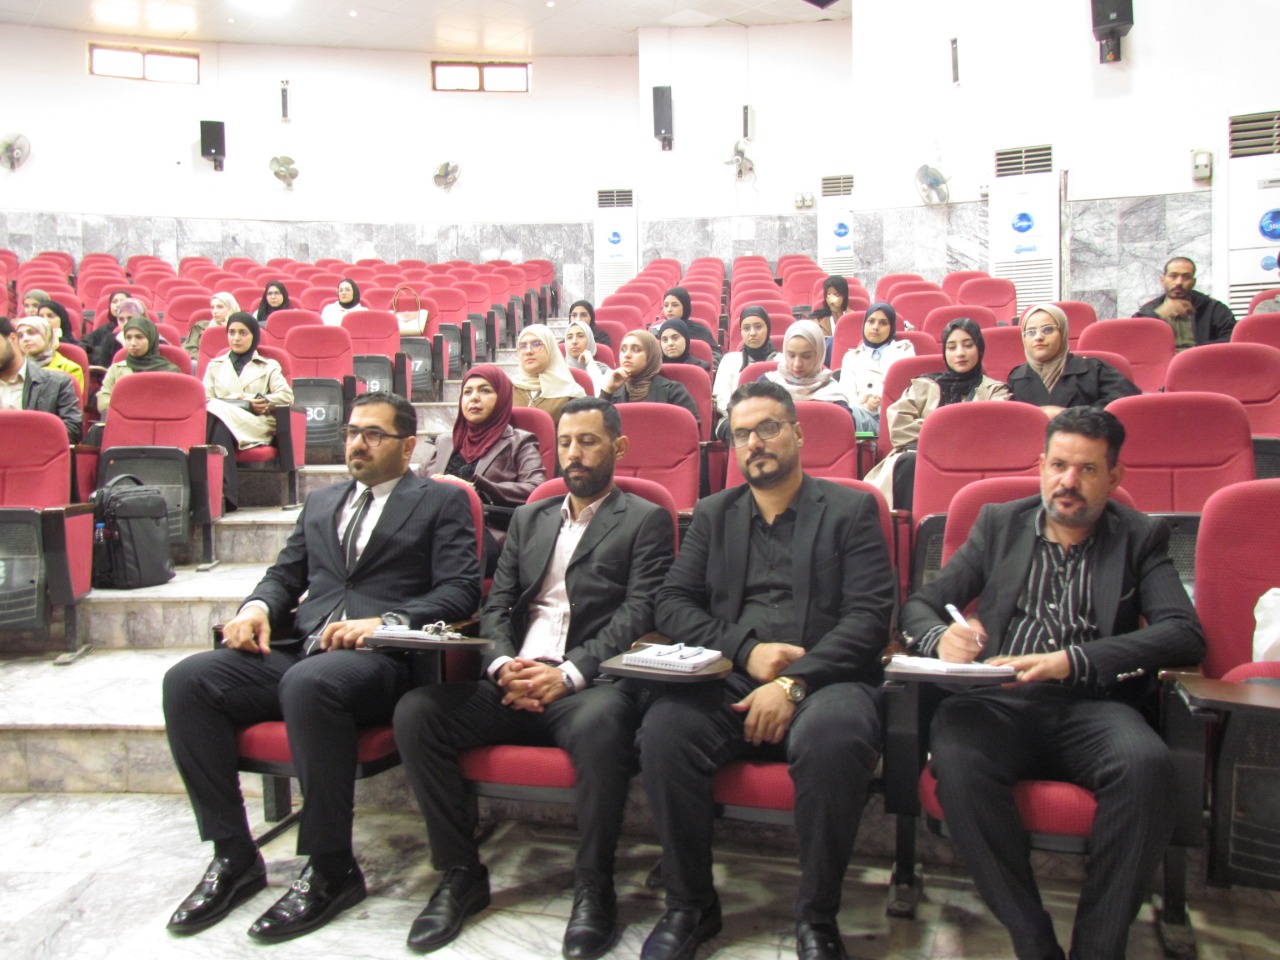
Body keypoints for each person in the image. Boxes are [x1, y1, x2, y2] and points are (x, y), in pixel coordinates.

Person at [162, 392, 481, 944]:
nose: (357, 443)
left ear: (408, 446)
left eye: (374, 434)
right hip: (305, 649)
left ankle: (331, 867)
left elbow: (460, 590)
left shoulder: (439, 501)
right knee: (189, 681)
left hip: (383, 661)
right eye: (353, 432)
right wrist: (255, 609)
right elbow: (285, 575)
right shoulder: (321, 501)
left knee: (310, 684)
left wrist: (385, 621)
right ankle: (234, 855)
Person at [900, 406, 1206, 960]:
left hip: (1094, 705)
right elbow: (920, 605)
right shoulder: (999, 524)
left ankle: (1098, 947)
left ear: (1114, 477)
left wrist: (1072, 660)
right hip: (999, 703)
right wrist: (941, 638)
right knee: (958, 757)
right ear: (1041, 465)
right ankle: (1033, 939)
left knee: (1147, 767)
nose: (1068, 482)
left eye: (1087, 470)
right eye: (1059, 465)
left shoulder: (1139, 536)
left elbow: (1183, 634)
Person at [394, 396, 674, 958]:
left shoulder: (645, 520)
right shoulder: (530, 517)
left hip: (588, 685)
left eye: (588, 441)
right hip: (515, 676)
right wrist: (501, 664)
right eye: (565, 442)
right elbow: (497, 604)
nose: (575, 453)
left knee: (602, 725)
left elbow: (639, 613)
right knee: (417, 713)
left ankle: (594, 886)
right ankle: (460, 873)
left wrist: (568, 674)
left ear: (618, 447)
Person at [638, 380, 894, 960]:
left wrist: (791, 683)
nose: (754, 443)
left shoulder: (851, 510)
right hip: (733, 671)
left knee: (836, 737)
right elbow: (671, 603)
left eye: (768, 428)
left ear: (798, 434)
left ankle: (817, 916)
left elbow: (869, 619)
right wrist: (746, 649)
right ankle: (690, 905)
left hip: (829, 676)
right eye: (742, 434)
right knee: (666, 729)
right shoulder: (714, 513)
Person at [863, 317, 1010, 509]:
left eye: (968, 345)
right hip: (919, 457)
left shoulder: (996, 391)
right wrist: (955, 432)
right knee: (908, 462)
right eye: (952, 347)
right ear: (944, 353)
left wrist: (934, 430)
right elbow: (899, 428)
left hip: (975, 461)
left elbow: (992, 433)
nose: (960, 353)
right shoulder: (923, 385)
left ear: (980, 349)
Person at [418, 364, 547, 576]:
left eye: (485, 390)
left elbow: (536, 489)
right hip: (433, 525)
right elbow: (415, 484)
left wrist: (475, 487)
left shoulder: (519, 441)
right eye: (467, 392)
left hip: (486, 530)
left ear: (502, 397)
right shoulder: (445, 442)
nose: (474, 398)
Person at [204, 313, 294, 512]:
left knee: (216, 414)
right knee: (219, 421)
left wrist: (259, 401)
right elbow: (205, 400)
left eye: (243, 333)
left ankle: (216, 495)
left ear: (254, 336)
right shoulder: (215, 366)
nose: (236, 338)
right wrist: (240, 400)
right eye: (231, 332)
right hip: (222, 422)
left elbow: (286, 397)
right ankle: (225, 496)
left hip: (256, 422)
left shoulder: (269, 365)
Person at [1007, 303, 1138, 417]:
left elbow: (1125, 407)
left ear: (1063, 333)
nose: (1038, 337)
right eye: (1030, 332)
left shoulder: (1094, 369)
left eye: (1047, 330)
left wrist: (1068, 415)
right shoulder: (1016, 377)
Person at [763, 319, 876, 433]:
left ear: (819, 355)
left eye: (806, 356)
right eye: (791, 355)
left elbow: (845, 432)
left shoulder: (833, 393)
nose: (797, 364)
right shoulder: (767, 384)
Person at [0, 316, 83, 443]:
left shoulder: (57, 383)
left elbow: (72, 430)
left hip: (36, 453)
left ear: (13, 339)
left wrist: (24, 442)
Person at [599, 329, 701, 431]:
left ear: (651, 355)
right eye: (623, 350)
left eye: (636, 349)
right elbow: (595, 428)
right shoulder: (612, 392)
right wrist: (607, 390)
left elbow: (692, 429)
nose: (627, 355)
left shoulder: (673, 391)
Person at [1134, 256, 1235, 349]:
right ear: (1163, 280)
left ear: (1193, 282)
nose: (1179, 282)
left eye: (1186, 277)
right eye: (1173, 276)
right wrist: (1159, 314)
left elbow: (1231, 339)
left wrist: (1197, 350)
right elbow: (1134, 341)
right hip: (1163, 362)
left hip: (1201, 360)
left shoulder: (1213, 309)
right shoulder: (1148, 311)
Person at [837, 301, 915, 419]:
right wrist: (864, 404)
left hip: (895, 417)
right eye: (871, 321)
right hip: (861, 416)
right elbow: (846, 396)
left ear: (891, 328)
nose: (875, 327)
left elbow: (908, 392)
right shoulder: (851, 357)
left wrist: (880, 401)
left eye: (883, 323)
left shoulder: (904, 351)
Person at [713, 306, 777, 438]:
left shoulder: (780, 361)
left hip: (773, 419)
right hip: (733, 418)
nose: (752, 333)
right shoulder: (729, 359)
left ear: (768, 328)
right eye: (746, 328)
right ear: (741, 332)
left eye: (758, 327)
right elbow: (721, 400)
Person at [97, 315, 181, 415]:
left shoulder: (170, 371)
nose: (133, 343)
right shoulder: (115, 369)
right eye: (128, 338)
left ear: (151, 339)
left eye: (139, 337)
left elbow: (175, 406)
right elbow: (103, 403)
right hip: (123, 420)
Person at [511, 323, 587, 428]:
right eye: (523, 346)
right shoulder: (508, 390)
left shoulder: (570, 393)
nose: (528, 351)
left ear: (550, 348)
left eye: (536, 344)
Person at [17, 313, 84, 393]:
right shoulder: (14, 369)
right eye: (20, 336)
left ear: (47, 335)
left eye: (32, 333)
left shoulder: (70, 369)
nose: (25, 339)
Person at [658, 286, 721, 365]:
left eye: (675, 305)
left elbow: (715, 357)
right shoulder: (656, 331)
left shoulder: (700, 330)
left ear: (685, 307)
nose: (669, 309)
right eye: (666, 305)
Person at [183, 292, 239, 362]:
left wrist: (228, 329)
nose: (215, 311)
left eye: (220, 307)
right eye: (212, 307)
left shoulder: (243, 330)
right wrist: (206, 360)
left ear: (232, 309)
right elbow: (189, 349)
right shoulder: (200, 327)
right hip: (202, 363)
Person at [563, 316, 612, 394]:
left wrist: (591, 365)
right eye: (569, 337)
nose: (574, 341)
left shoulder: (604, 371)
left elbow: (600, 395)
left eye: (580, 336)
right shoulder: (560, 371)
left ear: (590, 341)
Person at [83, 290, 131, 367]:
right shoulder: (104, 329)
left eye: (122, 301)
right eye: (114, 302)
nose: (118, 304)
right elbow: (85, 344)